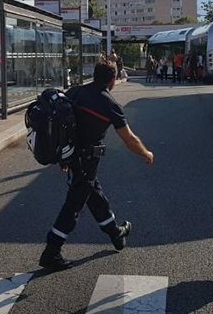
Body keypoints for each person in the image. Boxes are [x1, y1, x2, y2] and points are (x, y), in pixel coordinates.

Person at [39, 57, 154, 271]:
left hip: (73, 156)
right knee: (74, 205)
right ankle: (51, 251)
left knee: (94, 195)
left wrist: (63, 157)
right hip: (86, 158)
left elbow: (63, 124)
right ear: (113, 79)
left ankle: (115, 233)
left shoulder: (76, 92)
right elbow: (129, 139)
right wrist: (145, 153)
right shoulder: (109, 104)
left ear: (94, 76)